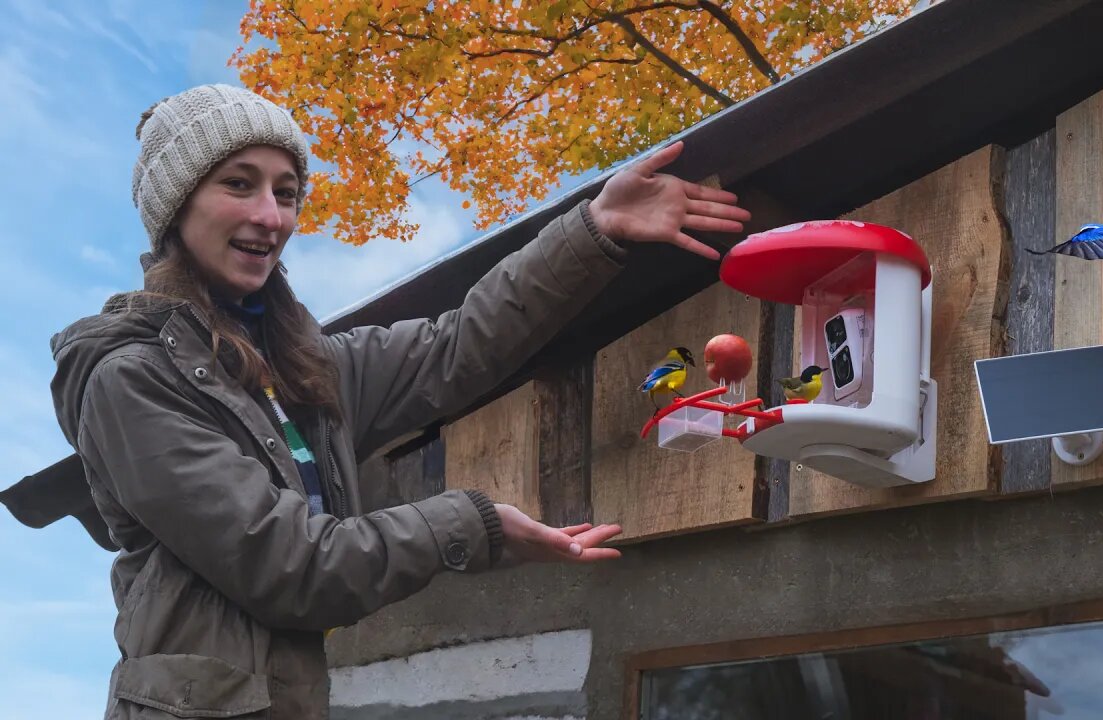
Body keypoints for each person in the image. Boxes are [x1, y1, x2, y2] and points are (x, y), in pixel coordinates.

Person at [47, 84, 750, 718]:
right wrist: (476, 526)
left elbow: (456, 346)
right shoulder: (130, 381)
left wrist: (593, 230)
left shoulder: (301, 367)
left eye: (286, 192)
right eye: (239, 184)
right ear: (176, 207)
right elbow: (293, 567)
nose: (270, 215)